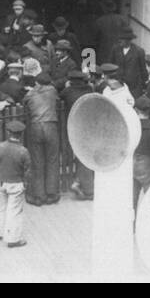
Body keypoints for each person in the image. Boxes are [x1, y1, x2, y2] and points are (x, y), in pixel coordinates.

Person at [23, 73, 62, 206]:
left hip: (35, 127)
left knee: (37, 161)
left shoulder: (30, 93)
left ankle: (39, 196)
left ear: (37, 82)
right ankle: (52, 194)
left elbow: (25, 102)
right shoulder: (52, 90)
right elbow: (56, 100)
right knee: (52, 159)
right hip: (51, 126)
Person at [0, 120, 30, 247]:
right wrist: (25, 183)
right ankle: (13, 239)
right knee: (14, 211)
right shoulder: (23, 151)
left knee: (0, 208)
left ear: (8, 133)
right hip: (16, 183)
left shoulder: (0, 147)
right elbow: (27, 170)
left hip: (2, 182)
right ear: (21, 134)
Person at [61, 69, 95, 200]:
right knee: (85, 155)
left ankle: (86, 187)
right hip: (89, 126)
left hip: (74, 127)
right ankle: (80, 183)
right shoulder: (89, 90)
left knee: (81, 156)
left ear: (70, 81)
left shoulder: (68, 91)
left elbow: (61, 97)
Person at [132, 95, 150, 208]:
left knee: (131, 200)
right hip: (147, 165)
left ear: (136, 110)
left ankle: (132, 223)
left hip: (132, 163)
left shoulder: (131, 127)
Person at [109, 25, 147, 99]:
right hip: (118, 87)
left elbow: (143, 71)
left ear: (128, 40)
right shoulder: (115, 49)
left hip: (134, 89)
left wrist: (143, 87)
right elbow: (111, 66)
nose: (119, 41)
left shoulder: (139, 51)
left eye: (122, 39)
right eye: (119, 38)